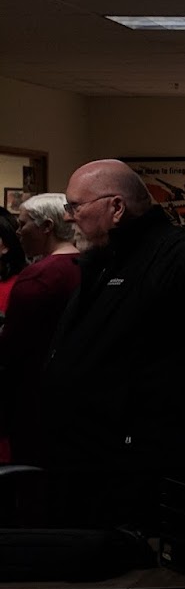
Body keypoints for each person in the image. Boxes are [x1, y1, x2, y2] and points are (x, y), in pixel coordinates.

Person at [39, 161, 185, 531]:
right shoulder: (106, 256)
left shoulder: (168, 249)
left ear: (116, 207)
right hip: (84, 458)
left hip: (131, 468)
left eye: (75, 206)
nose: (68, 217)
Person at [0, 194, 82, 464]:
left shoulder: (38, 276)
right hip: (73, 396)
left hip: (34, 397)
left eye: (23, 224)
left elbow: (11, 348)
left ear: (47, 226)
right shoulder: (87, 265)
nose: (17, 232)